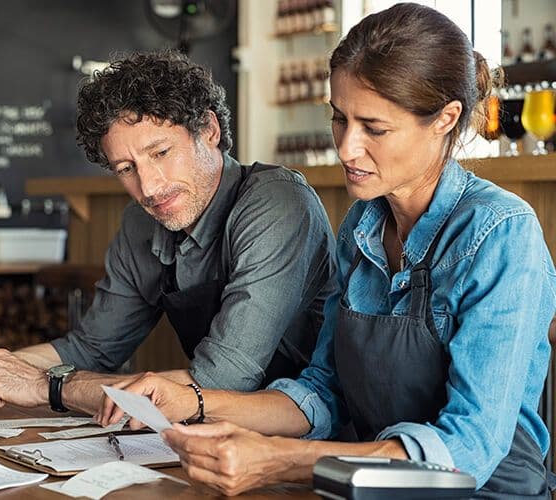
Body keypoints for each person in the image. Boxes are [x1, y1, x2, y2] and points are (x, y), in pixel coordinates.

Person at [98, 4, 556, 498]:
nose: (346, 148)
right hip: (361, 486)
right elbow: (322, 392)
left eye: (374, 128)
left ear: (446, 118)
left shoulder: (501, 234)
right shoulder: (363, 225)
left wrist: (282, 460)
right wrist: (190, 400)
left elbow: (469, 448)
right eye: (340, 118)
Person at [0, 51, 338, 415]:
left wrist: (48, 387)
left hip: (310, 432)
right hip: (217, 436)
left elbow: (221, 380)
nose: (148, 187)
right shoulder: (140, 222)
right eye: (126, 169)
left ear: (209, 130)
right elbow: (92, 347)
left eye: (161, 152)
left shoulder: (276, 203)